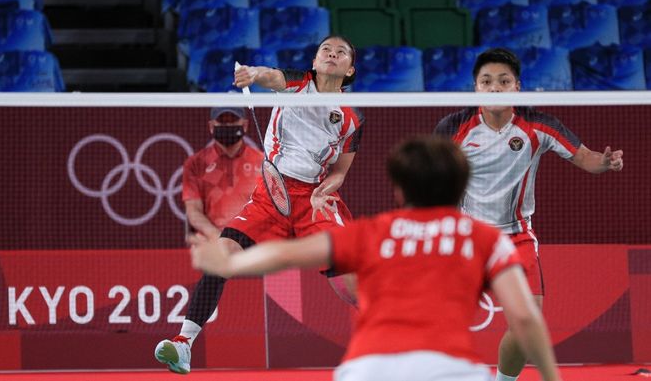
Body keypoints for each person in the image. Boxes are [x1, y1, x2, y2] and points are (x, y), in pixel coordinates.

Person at [188, 136, 562, 381]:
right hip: (449, 369)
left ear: (399, 190)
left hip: (367, 370)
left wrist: (228, 264)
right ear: (463, 184)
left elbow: (287, 253)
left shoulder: (373, 231)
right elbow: (525, 317)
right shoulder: (484, 238)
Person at [154, 35, 365, 374]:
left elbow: (340, 171)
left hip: (316, 201)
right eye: (326, 49)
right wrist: (253, 74)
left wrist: (325, 189)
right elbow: (272, 76)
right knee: (221, 258)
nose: (332, 53)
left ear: (350, 69)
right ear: (313, 61)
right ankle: (183, 344)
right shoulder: (298, 84)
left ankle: (401, 339)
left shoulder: (353, 118)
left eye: (341, 52)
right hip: (271, 194)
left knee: (351, 285)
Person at [434, 47, 623, 381]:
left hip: (516, 236)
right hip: (466, 237)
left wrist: (604, 163)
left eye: (503, 81)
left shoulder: (537, 124)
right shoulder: (455, 126)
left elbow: (584, 157)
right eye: (487, 81)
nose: (495, 88)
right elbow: (427, 174)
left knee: (528, 322)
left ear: (516, 87)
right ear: (476, 87)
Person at [182, 107, 263, 235]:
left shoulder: (263, 162)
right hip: (214, 241)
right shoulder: (195, 163)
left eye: (233, 120)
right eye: (222, 121)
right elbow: (193, 211)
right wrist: (220, 238)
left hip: (252, 241)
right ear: (211, 126)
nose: (228, 125)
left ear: (245, 125)